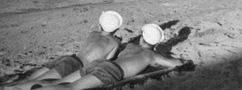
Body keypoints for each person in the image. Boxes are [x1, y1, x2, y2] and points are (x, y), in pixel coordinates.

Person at [38, 24, 186, 90]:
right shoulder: (151, 55)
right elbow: (176, 63)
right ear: (156, 43)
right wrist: (178, 60)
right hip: (110, 71)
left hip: (98, 63)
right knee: (72, 88)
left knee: (62, 82)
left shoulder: (130, 46)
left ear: (141, 38)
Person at [2, 11, 123, 90]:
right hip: (76, 65)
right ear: (117, 29)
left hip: (69, 59)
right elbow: (108, 60)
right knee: (48, 83)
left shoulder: (93, 33)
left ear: (100, 24)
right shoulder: (115, 42)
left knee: (29, 79)